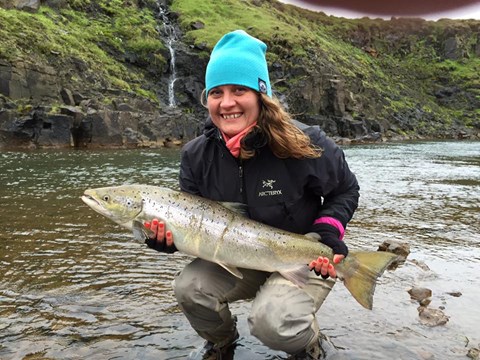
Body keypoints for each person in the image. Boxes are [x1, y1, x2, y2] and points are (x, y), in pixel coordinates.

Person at [144, 30, 359, 360]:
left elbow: (345, 190)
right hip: (238, 256)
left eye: (238, 90)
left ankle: (307, 342)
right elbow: (194, 221)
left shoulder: (307, 142)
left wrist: (329, 234)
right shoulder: (195, 156)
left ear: (262, 95)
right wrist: (168, 241)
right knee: (189, 288)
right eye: (216, 92)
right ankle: (223, 341)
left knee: (272, 323)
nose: (226, 102)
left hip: (303, 252)